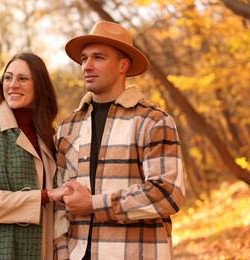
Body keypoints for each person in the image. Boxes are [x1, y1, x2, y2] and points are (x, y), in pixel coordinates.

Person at [53, 21, 186, 260]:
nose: (87, 66)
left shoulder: (153, 121)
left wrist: (94, 204)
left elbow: (167, 194)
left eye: (98, 58)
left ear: (123, 65)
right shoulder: (67, 127)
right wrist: (62, 252)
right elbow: (59, 203)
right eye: (84, 59)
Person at [0, 52, 70, 260]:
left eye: (23, 78)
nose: (13, 84)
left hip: (41, 250)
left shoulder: (47, 136)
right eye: (7, 78)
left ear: (40, 86)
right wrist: (48, 195)